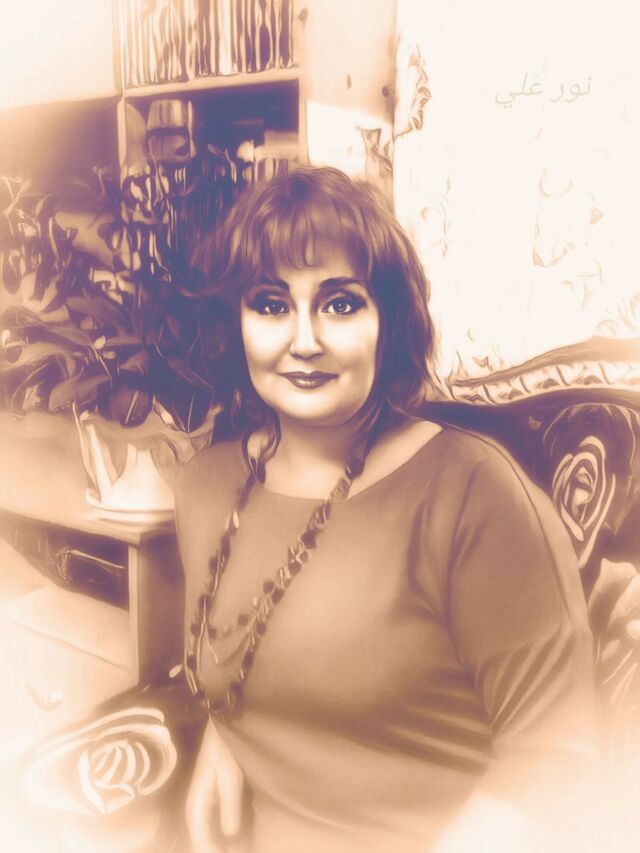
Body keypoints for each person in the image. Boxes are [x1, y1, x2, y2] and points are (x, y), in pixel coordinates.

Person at [173, 166, 599, 852]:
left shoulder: (473, 492)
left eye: (340, 304)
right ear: (237, 322)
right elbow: (254, 649)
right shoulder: (206, 485)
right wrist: (225, 739)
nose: (303, 340)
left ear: (389, 322)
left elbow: (559, 766)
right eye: (271, 305)